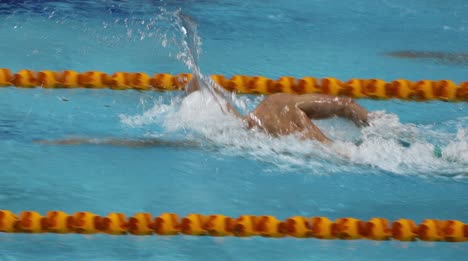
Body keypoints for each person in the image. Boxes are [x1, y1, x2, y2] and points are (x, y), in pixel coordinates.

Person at [37, 75, 369, 146]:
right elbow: (346, 105)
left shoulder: (228, 136)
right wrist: (376, 128)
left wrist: (82, 141)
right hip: (344, 153)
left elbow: (151, 144)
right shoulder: (279, 101)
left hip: (322, 156)